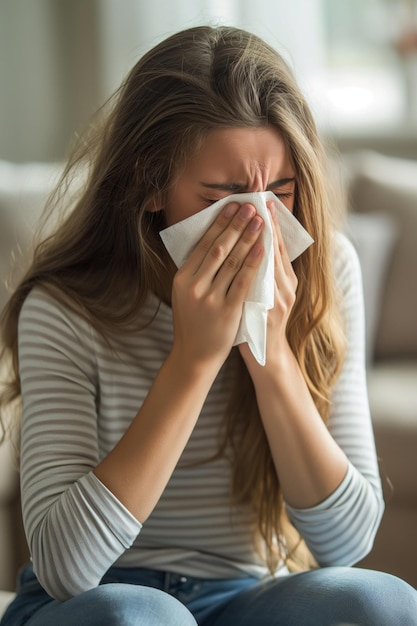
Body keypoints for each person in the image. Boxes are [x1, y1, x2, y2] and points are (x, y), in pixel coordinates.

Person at [0, 25, 416, 626]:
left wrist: (269, 347)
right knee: (141, 618)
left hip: (243, 594)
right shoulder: (65, 306)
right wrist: (193, 360)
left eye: (280, 192)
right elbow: (66, 568)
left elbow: (346, 544)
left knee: (382, 603)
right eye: (222, 195)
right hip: (102, 601)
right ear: (149, 187)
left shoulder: (329, 272)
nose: (258, 222)